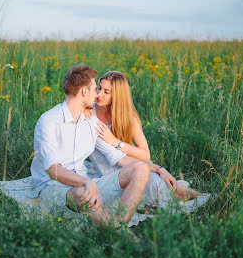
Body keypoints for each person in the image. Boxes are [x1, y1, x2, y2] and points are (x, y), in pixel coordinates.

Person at [31, 64, 160, 227]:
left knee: (141, 169)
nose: (97, 95)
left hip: (87, 182)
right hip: (55, 187)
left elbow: (116, 156)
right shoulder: (49, 121)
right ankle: (123, 236)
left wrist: (156, 168)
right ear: (84, 92)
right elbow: (54, 171)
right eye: (95, 89)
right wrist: (87, 182)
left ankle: (117, 225)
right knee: (84, 194)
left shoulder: (91, 121)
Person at [84, 71, 210, 210]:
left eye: (106, 91)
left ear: (117, 96)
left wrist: (116, 142)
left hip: (134, 164)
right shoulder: (88, 112)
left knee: (160, 186)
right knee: (149, 194)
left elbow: (145, 154)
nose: (99, 94)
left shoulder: (127, 116)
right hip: (107, 171)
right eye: (99, 88)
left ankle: (203, 197)